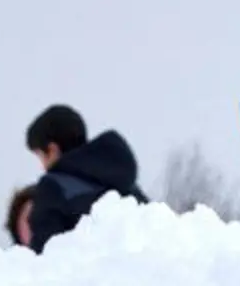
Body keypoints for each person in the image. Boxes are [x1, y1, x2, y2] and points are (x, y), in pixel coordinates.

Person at [23, 104, 149, 253]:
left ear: (52, 149)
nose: (43, 167)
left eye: (41, 157)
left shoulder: (53, 187)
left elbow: (45, 256)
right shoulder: (128, 185)